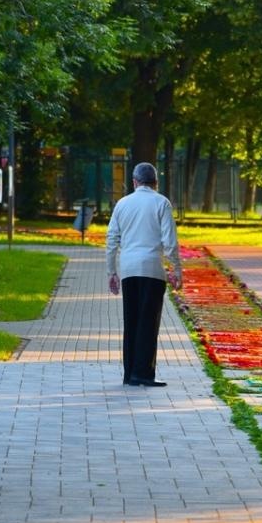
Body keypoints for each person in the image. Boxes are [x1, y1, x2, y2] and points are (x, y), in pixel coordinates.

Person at [106, 161, 181, 387]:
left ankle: (129, 374)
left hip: (129, 269)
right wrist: (176, 269)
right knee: (148, 321)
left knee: (131, 321)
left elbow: (111, 239)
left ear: (134, 182)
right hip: (152, 269)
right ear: (156, 182)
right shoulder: (162, 203)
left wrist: (112, 272)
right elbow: (170, 241)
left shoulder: (122, 203)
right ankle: (144, 373)